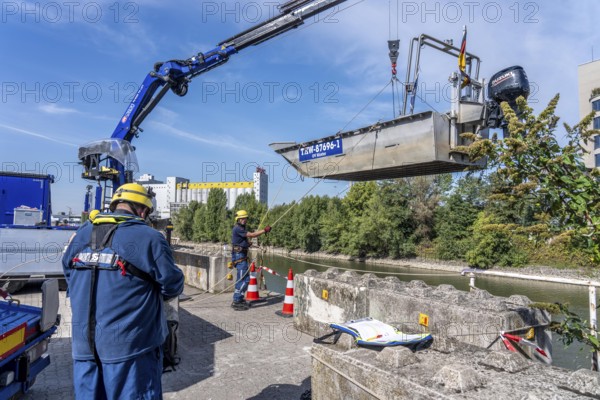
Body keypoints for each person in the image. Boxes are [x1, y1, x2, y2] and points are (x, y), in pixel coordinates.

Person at [62, 183, 184, 399]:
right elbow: (172, 285)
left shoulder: (81, 234)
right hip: (131, 350)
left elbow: (69, 274)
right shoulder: (150, 238)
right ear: (144, 210)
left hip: (84, 349)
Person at [231, 209, 271, 310]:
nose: (244, 220)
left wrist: (249, 244)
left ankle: (239, 299)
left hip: (241, 256)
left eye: (245, 218)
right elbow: (252, 235)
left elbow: (242, 241)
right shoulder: (238, 229)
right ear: (238, 220)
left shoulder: (240, 229)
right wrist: (264, 230)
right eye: (242, 219)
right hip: (239, 257)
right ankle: (236, 300)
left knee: (244, 279)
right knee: (243, 279)